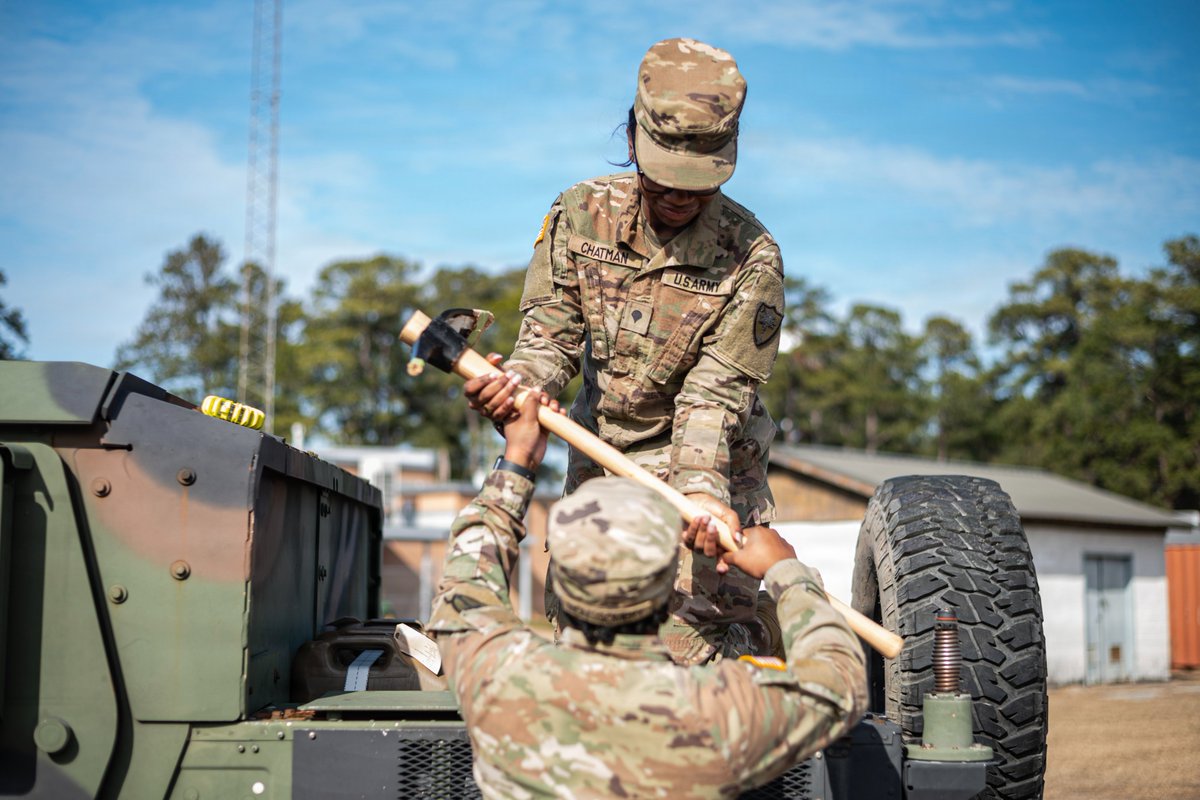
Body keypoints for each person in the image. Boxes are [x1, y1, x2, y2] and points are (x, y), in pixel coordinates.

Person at [465, 37, 785, 665]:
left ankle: (759, 631)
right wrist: (520, 385)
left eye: (696, 184)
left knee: (693, 651)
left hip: (711, 468)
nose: (678, 196)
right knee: (592, 643)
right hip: (602, 456)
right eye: (665, 177)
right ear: (634, 136)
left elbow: (714, 395)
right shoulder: (579, 216)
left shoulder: (752, 257)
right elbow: (549, 339)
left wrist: (697, 490)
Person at [429, 394, 866, 799]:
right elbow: (838, 685)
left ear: (560, 580)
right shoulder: (713, 712)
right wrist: (785, 570)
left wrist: (519, 458)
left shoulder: (498, 680)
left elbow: (468, 576)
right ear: (666, 585)